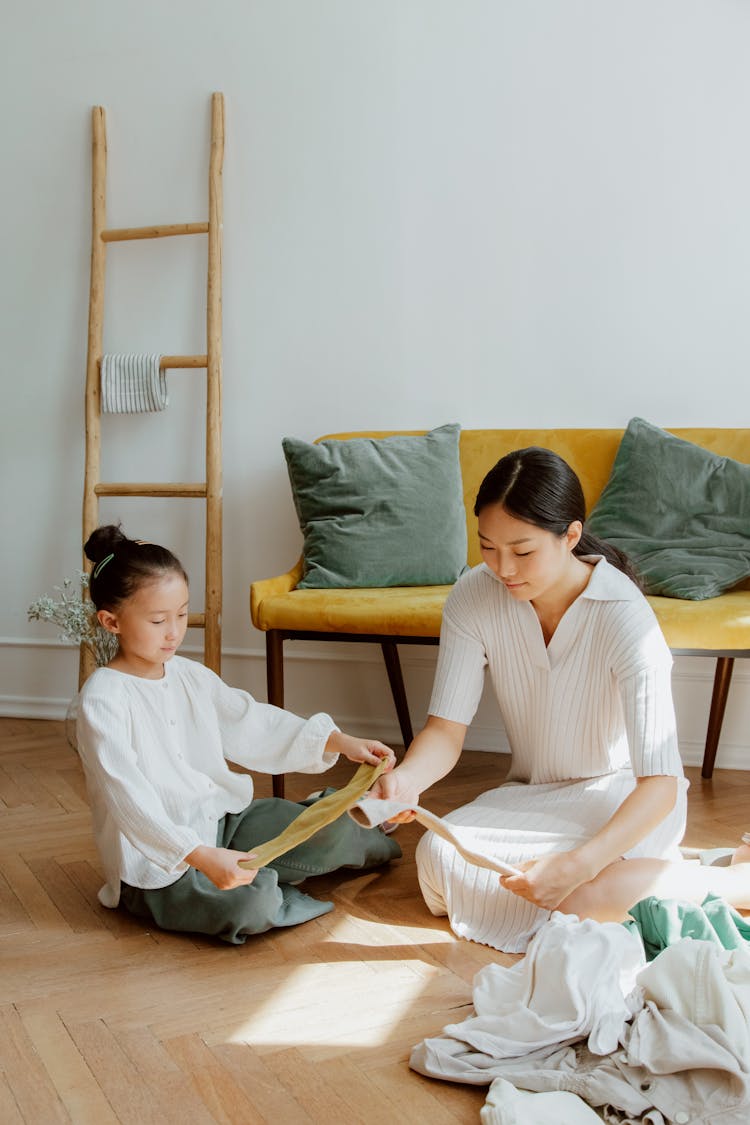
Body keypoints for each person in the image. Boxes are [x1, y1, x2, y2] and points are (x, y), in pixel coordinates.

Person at [369, 447, 750, 952]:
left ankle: (732, 884)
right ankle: (636, 886)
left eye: (523, 551)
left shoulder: (624, 617)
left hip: (625, 799)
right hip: (532, 794)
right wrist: (407, 783)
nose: (503, 569)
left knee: (577, 892)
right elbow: (445, 730)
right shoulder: (472, 597)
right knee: (438, 857)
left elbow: (659, 782)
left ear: (570, 536)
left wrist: (578, 864)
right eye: (488, 547)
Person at [76, 524, 401, 945]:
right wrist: (200, 857)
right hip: (160, 864)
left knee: (332, 827)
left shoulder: (190, 675)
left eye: (181, 614)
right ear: (110, 621)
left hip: (223, 821)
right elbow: (129, 800)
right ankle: (268, 886)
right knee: (251, 905)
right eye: (158, 620)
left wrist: (340, 742)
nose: (175, 631)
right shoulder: (103, 700)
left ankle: (349, 832)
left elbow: (252, 722)